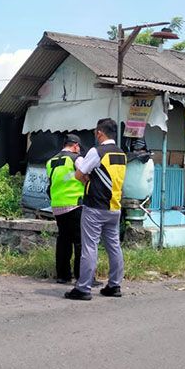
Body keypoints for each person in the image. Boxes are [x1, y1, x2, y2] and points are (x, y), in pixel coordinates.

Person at [65, 118, 127, 300]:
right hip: (114, 207)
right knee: (114, 247)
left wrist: (88, 181)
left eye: (95, 132)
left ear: (99, 132)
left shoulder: (97, 151)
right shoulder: (121, 154)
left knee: (89, 247)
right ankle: (114, 285)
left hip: (95, 207)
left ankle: (83, 288)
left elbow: (79, 173)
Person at [46, 134, 85, 284]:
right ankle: (82, 276)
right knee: (80, 241)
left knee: (63, 240)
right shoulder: (76, 159)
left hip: (57, 205)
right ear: (75, 145)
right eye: (79, 147)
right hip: (75, 204)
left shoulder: (51, 161)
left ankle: (63, 275)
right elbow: (85, 176)